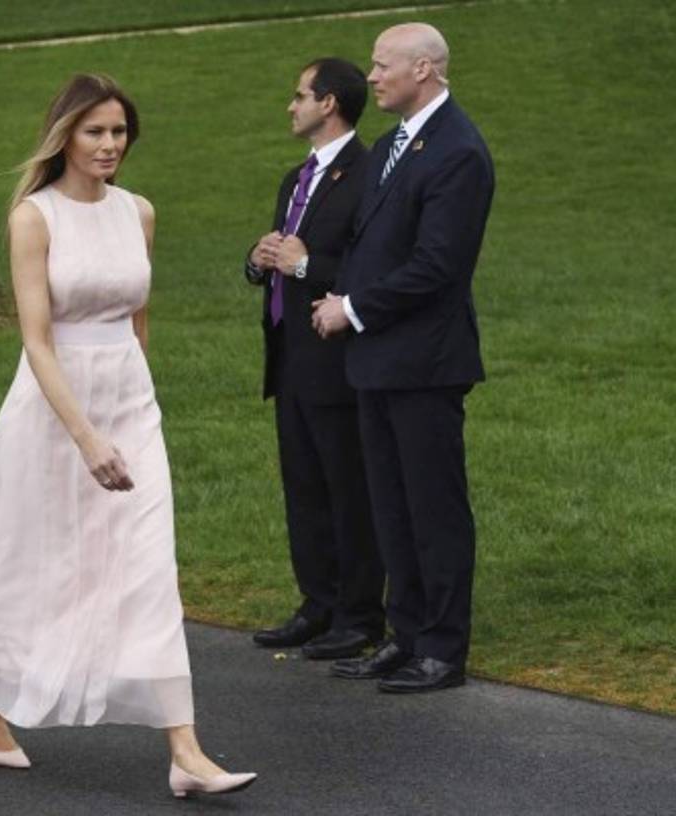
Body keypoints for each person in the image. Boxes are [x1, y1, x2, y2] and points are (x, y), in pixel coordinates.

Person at [0, 74, 255, 798]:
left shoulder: (140, 212)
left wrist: (135, 405)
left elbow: (138, 321)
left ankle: (186, 753)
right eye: (95, 131)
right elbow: (37, 341)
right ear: (65, 136)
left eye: (119, 131)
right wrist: (87, 438)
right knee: (37, 563)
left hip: (132, 403)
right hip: (55, 408)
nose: (110, 145)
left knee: (146, 566)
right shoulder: (33, 218)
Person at [310, 22, 494, 693]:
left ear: (424, 69)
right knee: (392, 506)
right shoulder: (393, 145)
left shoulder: (458, 152)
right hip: (379, 361)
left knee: (433, 507)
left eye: (383, 65)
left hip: (426, 364)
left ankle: (442, 648)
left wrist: (350, 309)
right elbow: (373, 245)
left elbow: (437, 267)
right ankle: (406, 634)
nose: (373, 75)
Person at [245, 58, 385, 659]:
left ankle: (358, 614)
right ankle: (318, 603)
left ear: (329, 103)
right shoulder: (293, 179)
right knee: (303, 486)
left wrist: (303, 265)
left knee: (346, 488)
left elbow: (369, 268)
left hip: (337, 359)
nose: (291, 105)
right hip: (290, 357)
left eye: (300, 95)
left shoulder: (369, 174)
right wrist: (259, 259)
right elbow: (281, 258)